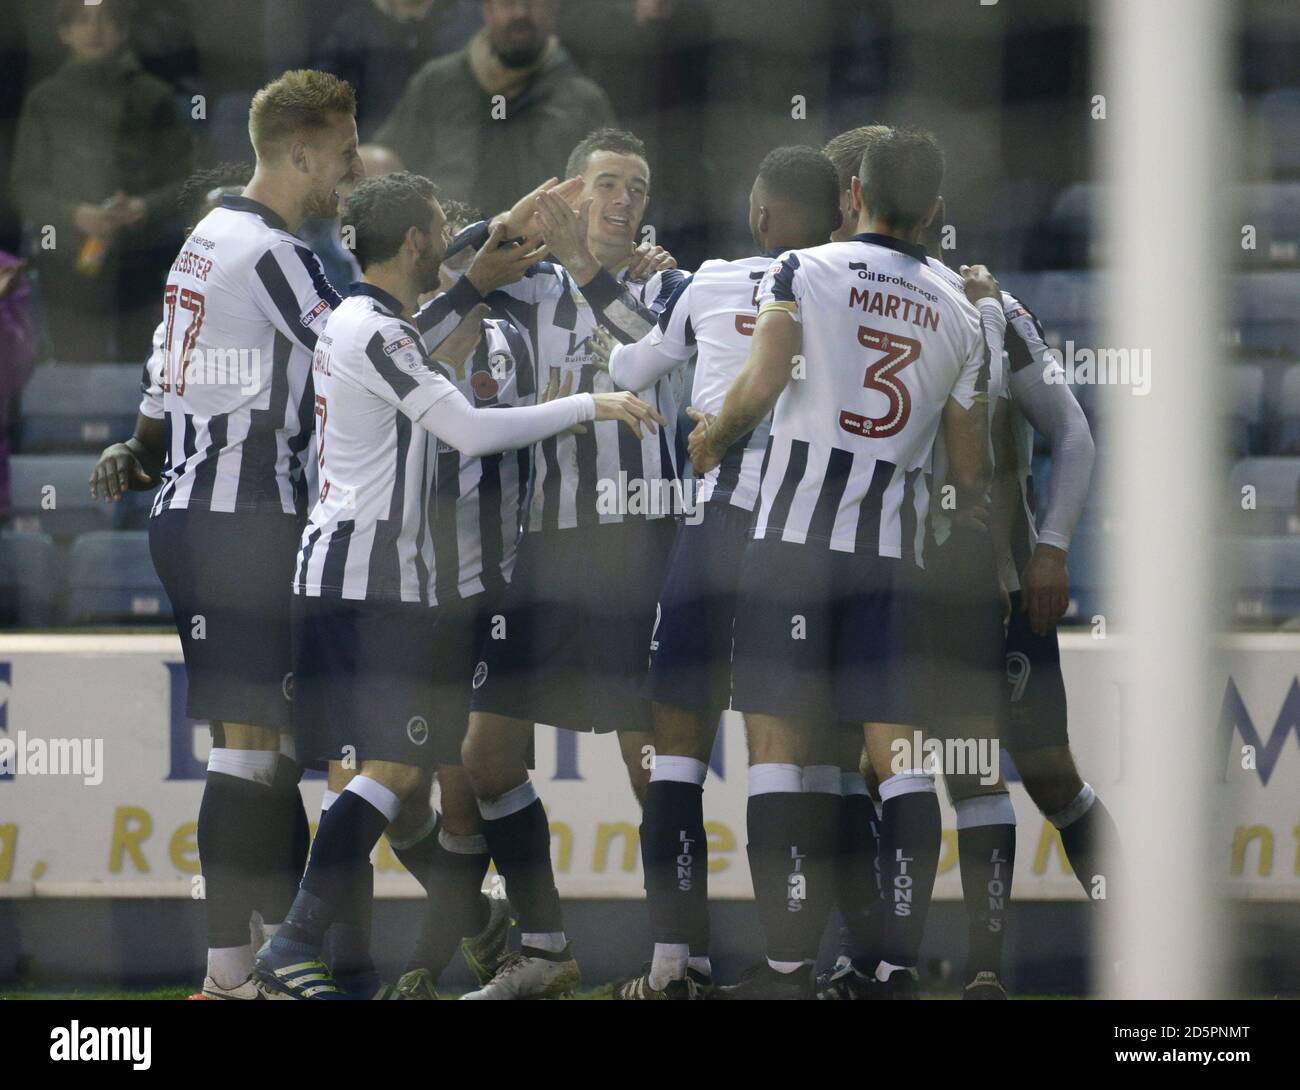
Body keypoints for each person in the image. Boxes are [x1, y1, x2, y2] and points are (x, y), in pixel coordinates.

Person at [253, 170, 663, 1000]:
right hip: (378, 576)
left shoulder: (365, 321)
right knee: (395, 774)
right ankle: (292, 944)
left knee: (400, 784)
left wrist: (494, 246)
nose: (452, 240)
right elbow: (470, 431)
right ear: (413, 244)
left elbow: (438, 320)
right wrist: (594, 404)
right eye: (441, 226)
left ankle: (463, 936)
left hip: (357, 571)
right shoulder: (381, 331)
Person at [690, 127, 997, 999]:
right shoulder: (962, 309)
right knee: (899, 758)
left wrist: (712, 436)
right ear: (935, 213)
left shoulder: (804, 270)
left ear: (852, 192)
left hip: (791, 544)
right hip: (891, 557)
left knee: (780, 751)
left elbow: (762, 380)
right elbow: (969, 469)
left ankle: (787, 967)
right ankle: (895, 968)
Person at [87, 69, 362, 1001]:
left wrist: (140, 445)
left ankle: (275, 963)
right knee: (251, 749)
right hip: (244, 520)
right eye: (344, 151)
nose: (353, 169)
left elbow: (161, 383)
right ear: (299, 152)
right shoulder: (272, 253)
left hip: (196, 512)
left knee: (271, 751)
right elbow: (363, 358)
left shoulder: (204, 239)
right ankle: (230, 978)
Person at [586, 146, 843, 999]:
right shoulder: (851, 287)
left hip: (719, 523)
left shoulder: (713, 281)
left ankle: (672, 967)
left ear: (760, 214)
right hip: (808, 534)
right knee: (781, 760)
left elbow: (627, 372)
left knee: (677, 755)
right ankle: (789, 972)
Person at [441, 128, 683, 1000]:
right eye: (607, 183)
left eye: (638, 188)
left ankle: (675, 960)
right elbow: (446, 268)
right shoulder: (528, 285)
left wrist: (590, 265)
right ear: (572, 195)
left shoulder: (667, 282)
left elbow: (658, 350)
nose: (624, 201)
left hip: (638, 546)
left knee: (654, 760)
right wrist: (511, 226)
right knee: (486, 756)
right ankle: (544, 948)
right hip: (542, 550)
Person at [10, 0, 191, 361]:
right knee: (74, 371)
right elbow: (23, 188)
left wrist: (145, 207)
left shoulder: (155, 97)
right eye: (83, 21)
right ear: (65, 32)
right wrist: (74, 214)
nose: (94, 30)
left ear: (122, 31)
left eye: (105, 21)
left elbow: (191, 180)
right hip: (66, 263)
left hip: (143, 260)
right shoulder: (43, 100)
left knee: (147, 372)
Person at [374, 0, 614, 215]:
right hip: (447, 251)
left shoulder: (583, 101)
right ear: (487, 11)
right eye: (508, 3)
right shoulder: (436, 83)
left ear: (552, 11)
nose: (521, 13)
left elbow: (610, 185)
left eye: (532, 3)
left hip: (545, 255)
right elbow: (388, 163)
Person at [314, 0, 482, 140]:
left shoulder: (472, 21)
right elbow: (319, 104)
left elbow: (498, 102)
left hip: (457, 153)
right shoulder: (352, 29)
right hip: (376, 158)